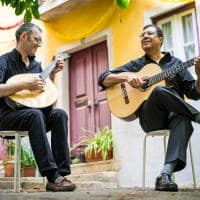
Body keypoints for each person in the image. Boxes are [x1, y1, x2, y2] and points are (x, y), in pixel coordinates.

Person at [98, 24, 200, 192]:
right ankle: (196, 116)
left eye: (150, 33)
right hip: (151, 118)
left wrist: (199, 75)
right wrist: (127, 76)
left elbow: (195, 93)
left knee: (183, 119)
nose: (144, 36)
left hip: (176, 116)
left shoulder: (176, 64)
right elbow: (103, 78)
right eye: (142, 34)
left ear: (161, 39)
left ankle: (164, 176)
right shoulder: (137, 65)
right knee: (159, 91)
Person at [0, 23, 76, 192]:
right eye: (36, 39)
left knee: (59, 114)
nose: (38, 44)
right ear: (23, 37)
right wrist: (23, 85)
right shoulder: (4, 61)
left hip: (35, 116)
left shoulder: (37, 66)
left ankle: (61, 174)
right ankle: (52, 176)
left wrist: (53, 75)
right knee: (35, 115)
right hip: (6, 116)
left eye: (41, 41)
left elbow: (45, 98)